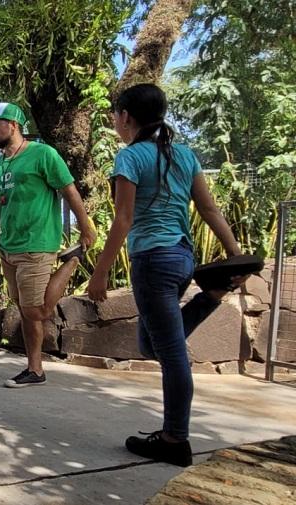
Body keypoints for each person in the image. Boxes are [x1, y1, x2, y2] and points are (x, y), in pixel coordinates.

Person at [85, 83, 245, 467]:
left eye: (116, 114)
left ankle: (175, 438)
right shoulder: (184, 155)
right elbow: (209, 210)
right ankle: (212, 295)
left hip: (153, 261)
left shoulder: (130, 157)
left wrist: (100, 273)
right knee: (149, 346)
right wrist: (236, 254)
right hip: (181, 258)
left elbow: (123, 220)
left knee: (172, 356)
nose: (114, 121)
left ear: (126, 117)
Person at [0, 103, 96, 388]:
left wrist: (86, 226)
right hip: (8, 248)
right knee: (25, 309)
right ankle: (35, 369)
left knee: (36, 312)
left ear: (14, 125)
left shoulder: (43, 154)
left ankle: (71, 261)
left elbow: (68, 189)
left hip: (38, 243)